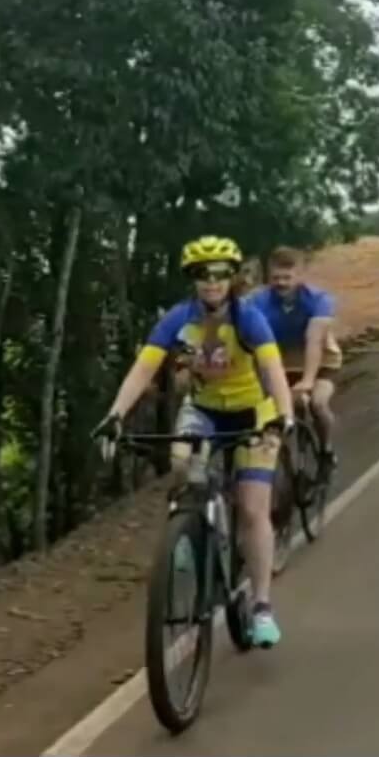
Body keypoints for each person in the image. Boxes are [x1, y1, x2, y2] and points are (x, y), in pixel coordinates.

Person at [94, 236, 295, 646]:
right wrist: (115, 415)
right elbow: (144, 368)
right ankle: (192, 530)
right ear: (193, 280)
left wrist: (284, 415)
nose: (212, 281)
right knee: (183, 464)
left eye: (221, 273)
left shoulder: (248, 318)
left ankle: (261, 606)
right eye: (202, 274)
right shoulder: (178, 319)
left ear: (232, 278)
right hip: (204, 410)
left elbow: (273, 370)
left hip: (253, 412)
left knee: (253, 508)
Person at [246, 246, 341, 472]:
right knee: (274, 407)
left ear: (300, 276)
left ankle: (326, 449)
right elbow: (254, 343)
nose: (281, 283)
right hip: (281, 361)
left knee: (317, 403)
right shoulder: (257, 302)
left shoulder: (319, 299)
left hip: (321, 361)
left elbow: (314, 340)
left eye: (287, 278)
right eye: (276, 278)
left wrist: (307, 380)